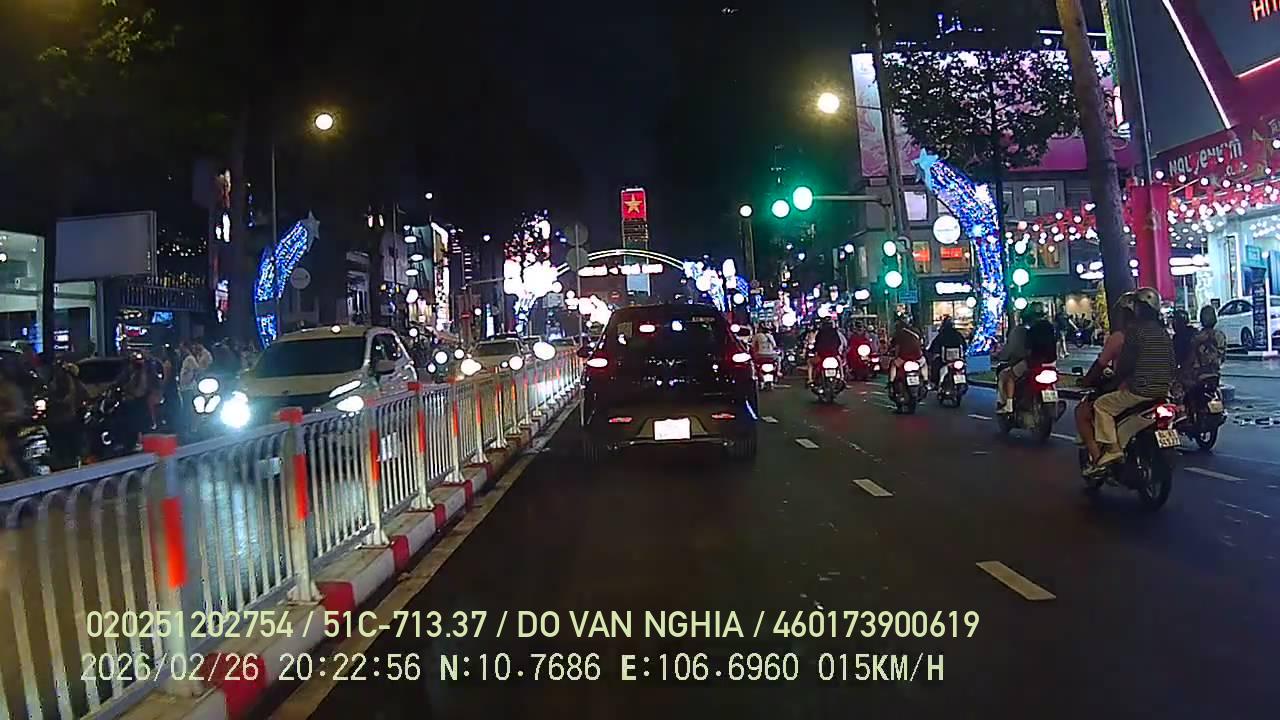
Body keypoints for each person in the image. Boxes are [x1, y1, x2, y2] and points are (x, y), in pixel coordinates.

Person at [1075, 288, 1175, 474]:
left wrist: (1116, 381)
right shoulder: (1163, 333)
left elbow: (1126, 365)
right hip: (1162, 391)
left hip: (1139, 391)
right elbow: (1171, 363)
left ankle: (1112, 449)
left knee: (1102, 406)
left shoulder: (1135, 332)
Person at [996, 302, 1058, 413]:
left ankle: (1009, 405)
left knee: (1010, 376)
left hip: (1035, 362)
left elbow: (1028, 349)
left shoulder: (1032, 330)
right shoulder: (1050, 327)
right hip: (1051, 362)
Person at [1182, 305, 1227, 392]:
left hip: (1198, 375)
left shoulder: (1197, 337)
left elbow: (1191, 357)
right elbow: (1222, 357)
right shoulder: (1220, 335)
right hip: (1214, 373)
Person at [927, 316, 967, 386]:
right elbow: (964, 346)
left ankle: (936, 383)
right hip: (957, 360)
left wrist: (932, 352)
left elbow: (934, 347)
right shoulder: (958, 335)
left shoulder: (941, 335)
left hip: (945, 361)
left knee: (935, 366)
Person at [886, 318, 924, 387]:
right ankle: (926, 381)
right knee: (924, 363)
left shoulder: (899, 334)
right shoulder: (916, 332)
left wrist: (895, 356)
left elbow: (896, 347)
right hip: (917, 357)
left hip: (904, 357)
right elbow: (921, 344)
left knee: (893, 364)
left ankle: (891, 382)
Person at [808, 318, 846, 383]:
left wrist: (814, 351)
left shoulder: (820, 333)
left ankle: (810, 380)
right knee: (840, 363)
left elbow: (817, 344)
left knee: (809, 362)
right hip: (834, 355)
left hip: (822, 356)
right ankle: (842, 378)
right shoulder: (835, 332)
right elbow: (839, 343)